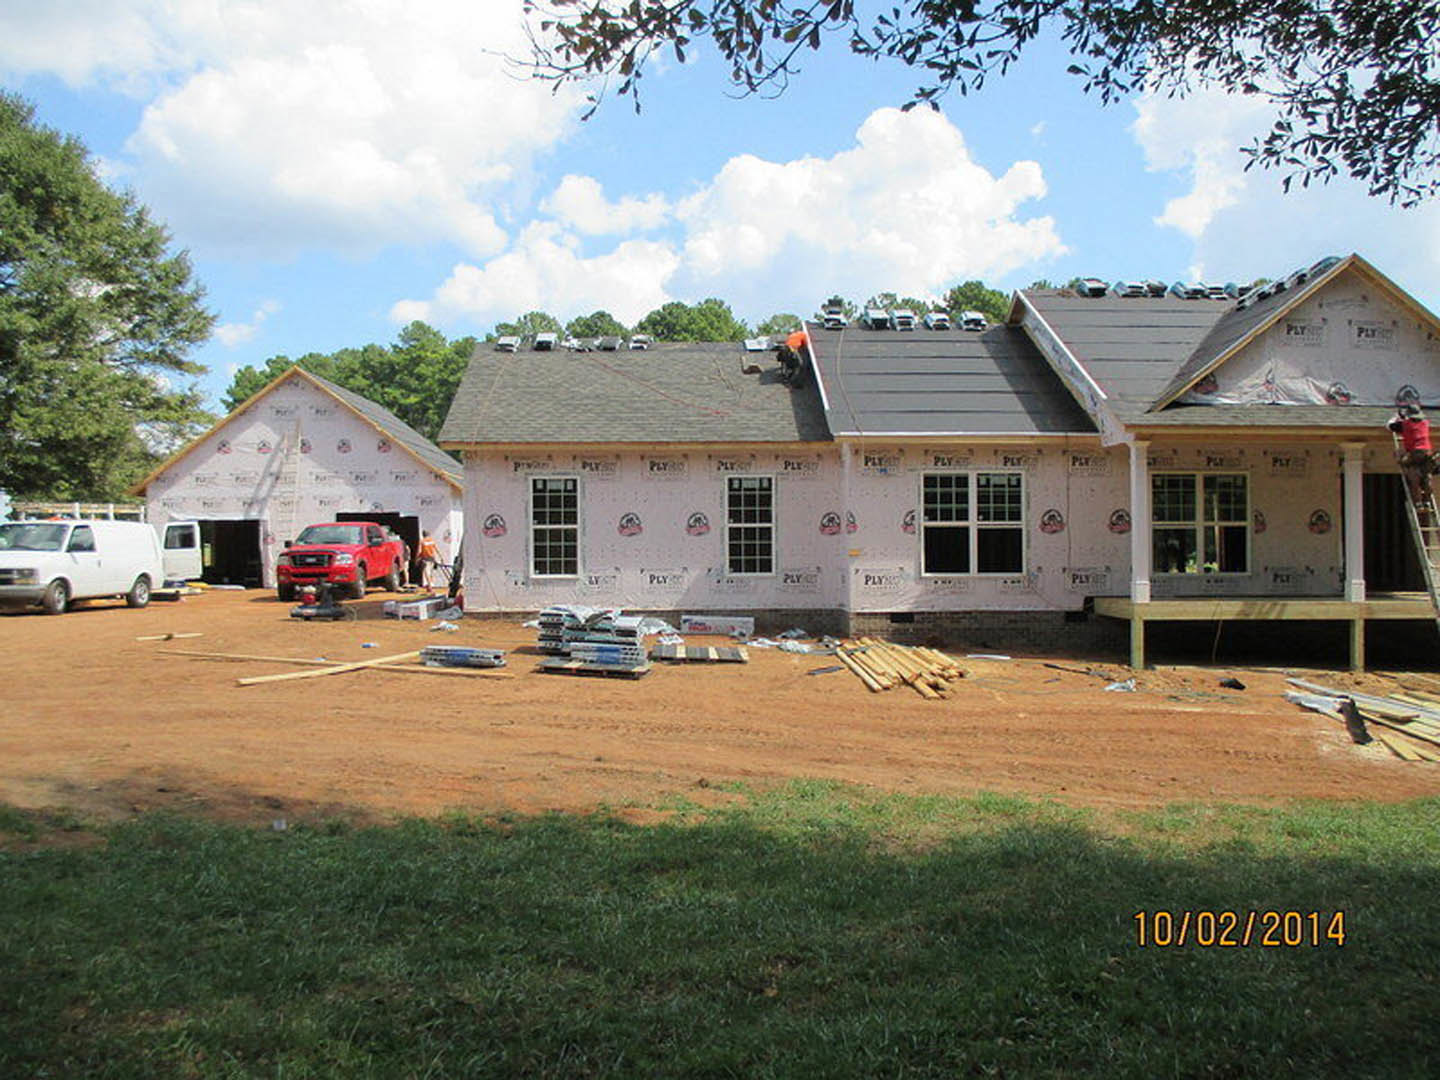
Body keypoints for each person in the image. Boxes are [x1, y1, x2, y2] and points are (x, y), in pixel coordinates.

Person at [1388, 404, 1436, 518]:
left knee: (1410, 471)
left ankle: (1418, 503)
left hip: (1414, 453)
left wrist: (1396, 417)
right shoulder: (1425, 423)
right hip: (1427, 453)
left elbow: (1390, 426)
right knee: (1425, 475)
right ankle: (1427, 501)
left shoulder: (1406, 424)